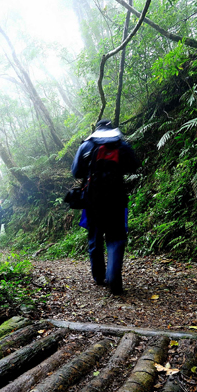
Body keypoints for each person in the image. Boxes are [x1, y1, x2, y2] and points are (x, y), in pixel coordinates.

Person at [71, 119, 140, 295]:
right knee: (116, 238)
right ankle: (114, 278)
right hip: (117, 198)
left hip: (92, 199)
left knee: (95, 237)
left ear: (97, 129)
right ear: (111, 129)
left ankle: (99, 277)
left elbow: (76, 171)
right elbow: (135, 165)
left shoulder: (87, 145)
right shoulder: (121, 144)